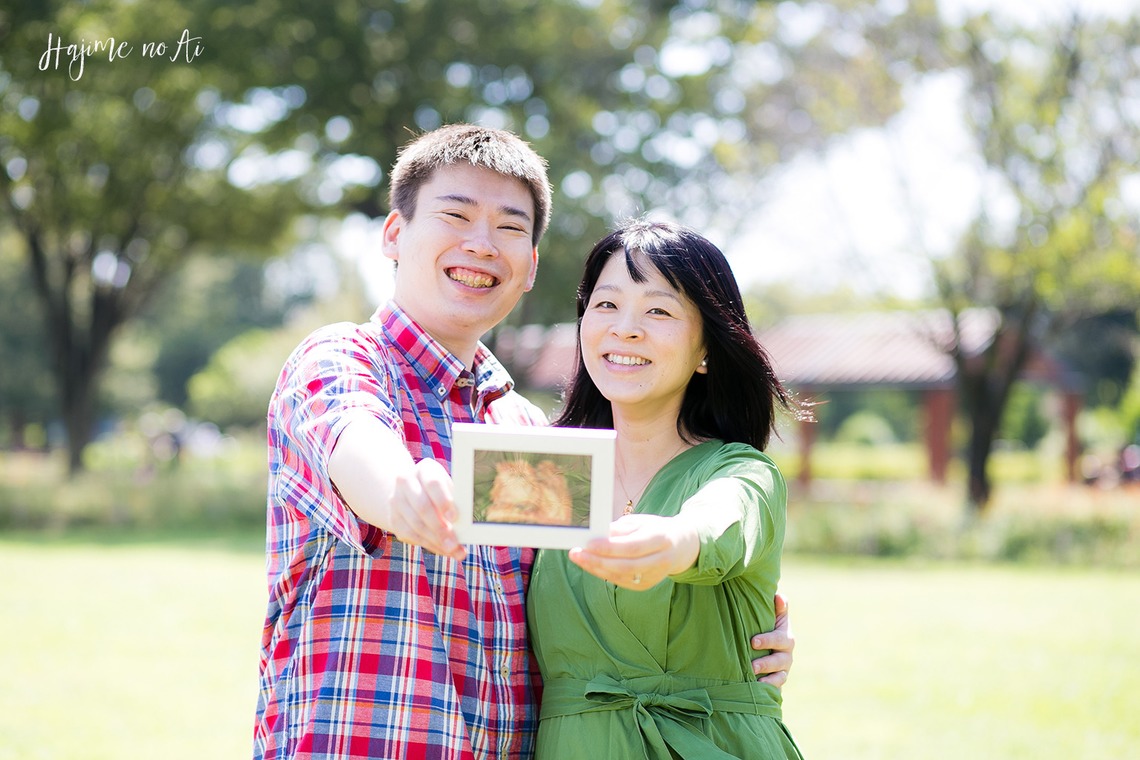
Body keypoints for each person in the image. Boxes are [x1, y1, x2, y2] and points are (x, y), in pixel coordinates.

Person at [253, 124, 795, 760]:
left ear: (531, 266)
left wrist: (736, 631)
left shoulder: (534, 436)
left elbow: (639, 568)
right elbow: (358, 444)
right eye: (456, 215)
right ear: (395, 236)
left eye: (510, 227)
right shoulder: (342, 361)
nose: (482, 245)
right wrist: (406, 492)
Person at [526, 219, 806, 758]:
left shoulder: (742, 471)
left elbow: (722, 520)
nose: (626, 328)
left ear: (707, 350)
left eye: (658, 310)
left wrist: (676, 542)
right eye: (606, 305)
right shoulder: (547, 471)